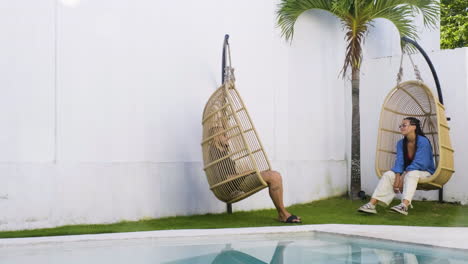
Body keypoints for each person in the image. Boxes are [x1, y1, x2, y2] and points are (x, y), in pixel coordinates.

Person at [209, 125, 301, 223]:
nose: (228, 137)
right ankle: (283, 214)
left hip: (239, 181)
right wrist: (245, 173)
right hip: (236, 185)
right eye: (224, 135)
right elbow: (223, 178)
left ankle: (282, 213)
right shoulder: (214, 153)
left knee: (274, 175)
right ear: (216, 137)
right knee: (274, 176)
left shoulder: (221, 152)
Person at [358, 117, 435, 215]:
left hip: (425, 172)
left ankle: (404, 206)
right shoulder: (400, 143)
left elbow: (421, 163)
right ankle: (372, 205)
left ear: (413, 127)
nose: (401, 128)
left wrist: (402, 177)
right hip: (407, 172)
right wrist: (398, 177)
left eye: (404, 125)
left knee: (411, 174)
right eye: (400, 126)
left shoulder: (423, 141)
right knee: (388, 175)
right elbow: (399, 162)